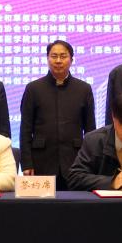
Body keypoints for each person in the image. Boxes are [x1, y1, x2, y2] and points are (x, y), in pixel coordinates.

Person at [20, 40, 96, 189]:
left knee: (75, 202)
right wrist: (26, 163)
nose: (58, 60)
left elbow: (90, 130)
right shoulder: (33, 88)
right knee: (43, 203)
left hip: (76, 161)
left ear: (71, 60)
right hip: (41, 161)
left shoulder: (84, 89)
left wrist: (91, 162)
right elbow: (25, 130)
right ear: (47, 59)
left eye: (63, 56)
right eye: (54, 56)